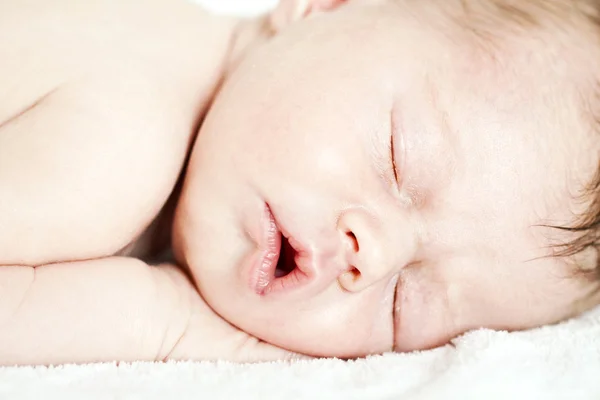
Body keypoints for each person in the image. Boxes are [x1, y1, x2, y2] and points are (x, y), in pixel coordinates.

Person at [1, 0, 599, 365]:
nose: (376, 255)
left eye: (405, 308)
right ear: (325, 4)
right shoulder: (122, 144)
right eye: (398, 159)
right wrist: (165, 325)